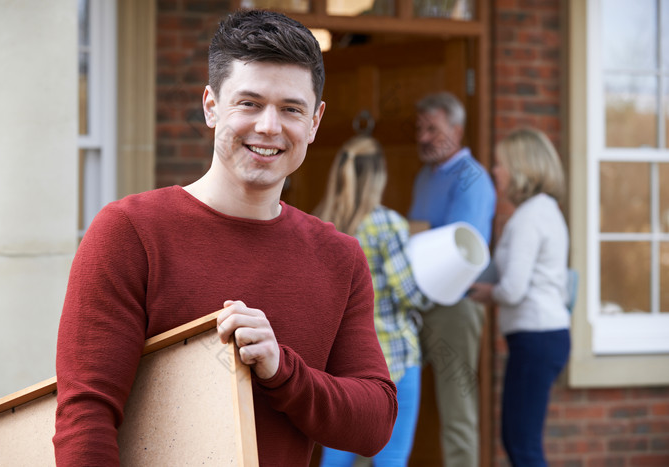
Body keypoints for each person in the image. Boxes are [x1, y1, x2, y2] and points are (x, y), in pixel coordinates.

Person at [53, 10, 397, 466]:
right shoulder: (129, 232)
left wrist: (283, 371)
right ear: (212, 106)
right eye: (249, 103)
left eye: (291, 109)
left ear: (315, 122)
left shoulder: (340, 257)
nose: (270, 127)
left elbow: (374, 423)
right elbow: (85, 417)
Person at [314, 135, 434, 466]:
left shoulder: (321, 226)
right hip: (393, 358)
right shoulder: (388, 225)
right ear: (378, 177)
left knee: (335, 460)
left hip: (340, 364)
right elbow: (409, 294)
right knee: (391, 460)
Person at [469, 128, 571, 467]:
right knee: (518, 440)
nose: (495, 170)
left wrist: (484, 292)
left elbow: (513, 289)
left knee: (522, 445)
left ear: (522, 167)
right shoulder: (545, 211)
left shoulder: (529, 217)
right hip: (542, 337)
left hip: (537, 338)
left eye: (501, 164)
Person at [407, 91, 496, 467]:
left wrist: (415, 231)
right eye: (420, 129)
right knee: (385, 391)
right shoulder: (426, 176)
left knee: (457, 410)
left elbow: (464, 250)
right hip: (417, 303)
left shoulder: (472, 178)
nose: (424, 137)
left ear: (457, 130)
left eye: (433, 128)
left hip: (454, 310)